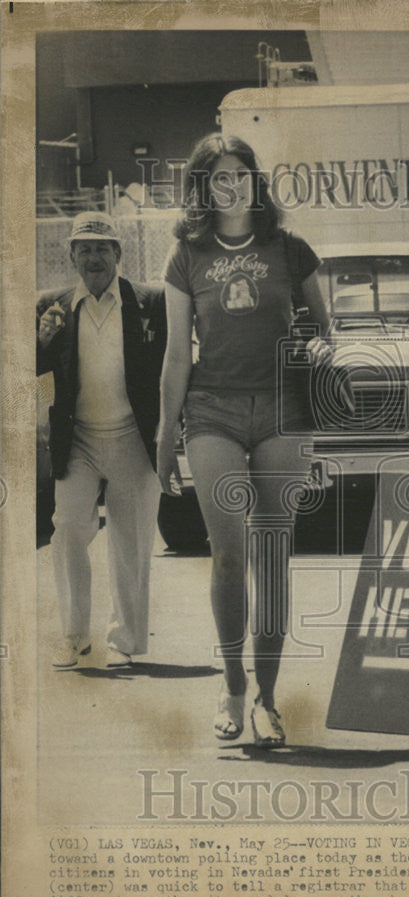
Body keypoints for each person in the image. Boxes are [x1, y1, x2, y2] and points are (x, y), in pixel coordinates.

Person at [157, 133, 334, 746]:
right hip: (213, 415)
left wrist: (315, 345)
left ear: (257, 181)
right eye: (218, 178)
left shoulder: (290, 249)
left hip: (283, 413)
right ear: (203, 188)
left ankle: (268, 698)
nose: (231, 186)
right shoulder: (186, 255)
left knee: (272, 558)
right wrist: (164, 436)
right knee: (228, 555)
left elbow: (324, 331)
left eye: (241, 174)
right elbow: (178, 355)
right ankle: (232, 689)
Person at [36, 212, 167, 667]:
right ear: (71, 255)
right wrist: (40, 343)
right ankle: (73, 636)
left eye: (103, 248)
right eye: (85, 248)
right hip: (79, 442)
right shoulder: (49, 306)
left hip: (135, 437)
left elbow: (173, 369)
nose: (94, 257)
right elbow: (28, 380)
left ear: (119, 254)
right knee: (69, 529)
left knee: (131, 543)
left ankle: (125, 641)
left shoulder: (150, 301)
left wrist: (171, 432)